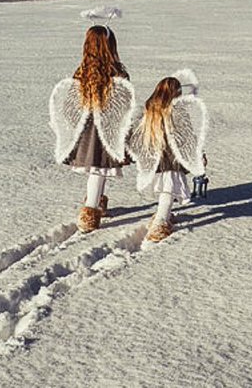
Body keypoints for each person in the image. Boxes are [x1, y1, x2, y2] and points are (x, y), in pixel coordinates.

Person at [48, 25, 136, 233]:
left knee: (98, 167)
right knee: (99, 167)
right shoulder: (118, 74)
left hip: (86, 130)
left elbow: (71, 103)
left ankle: (96, 200)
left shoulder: (81, 72)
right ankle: (90, 209)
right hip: (107, 130)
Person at [127, 70, 208, 242]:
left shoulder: (149, 111)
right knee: (169, 189)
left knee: (165, 189)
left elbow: (135, 134)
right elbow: (188, 137)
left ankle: (163, 216)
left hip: (155, 160)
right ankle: (160, 222)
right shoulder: (178, 112)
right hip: (172, 160)